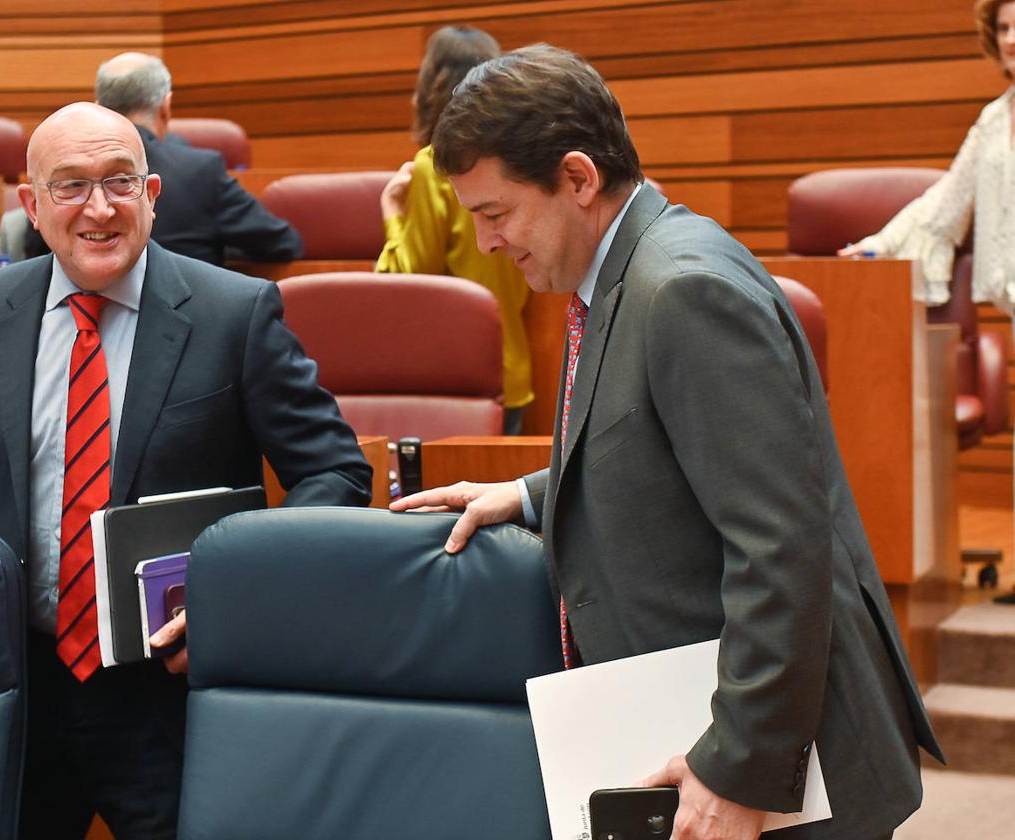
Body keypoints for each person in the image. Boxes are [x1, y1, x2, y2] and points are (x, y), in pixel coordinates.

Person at [392, 45, 943, 840]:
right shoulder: (625, 274)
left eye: (494, 213)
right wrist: (525, 494)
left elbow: (780, 551)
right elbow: (652, 448)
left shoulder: (685, 290)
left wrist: (736, 769)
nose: (485, 245)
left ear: (578, 179)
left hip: (784, 774)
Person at [0, 102, 371, 839]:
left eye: (119, 182)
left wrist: (234, 599)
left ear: (152, 194)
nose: (99, 208)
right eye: (71, 186)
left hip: (168, 689)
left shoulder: (233, 313)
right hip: (22, 681)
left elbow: (334, 471)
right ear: (32, 206)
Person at [0, 51, 302, 267]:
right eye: (78, 185)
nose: (101, 210)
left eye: (121, 183)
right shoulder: (201, 171)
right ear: (166, 107)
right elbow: (282, 243)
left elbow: (36, 250)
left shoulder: (59, 172)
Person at [376, 26, 533, 433]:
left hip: (449, 380)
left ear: (432, 85)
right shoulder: (520, 163)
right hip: (511, 370)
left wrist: (392, 213)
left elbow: (406, 286)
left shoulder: (434, 166)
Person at [839, 0, 1015, 313]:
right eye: (1003, 28)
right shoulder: (993, 119)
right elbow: (945, 204)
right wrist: (882, 245)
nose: (1011, 39)